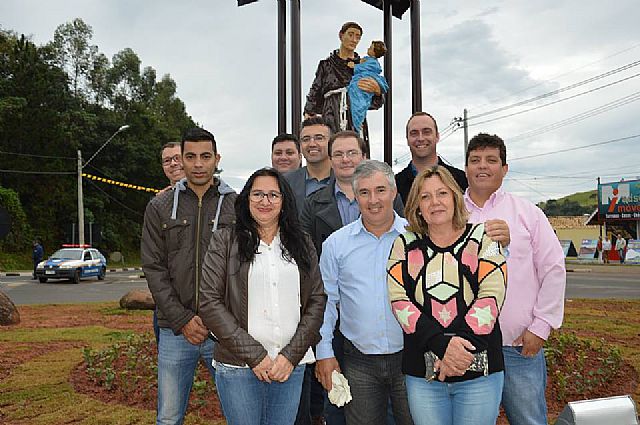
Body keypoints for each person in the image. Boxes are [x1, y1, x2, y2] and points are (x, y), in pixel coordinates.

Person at [198, 167, 327, 425]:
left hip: (289, 366)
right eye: (257, 194)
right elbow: (209, 302)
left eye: (273, 195)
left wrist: (291, 356)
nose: (265, 201)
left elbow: (316, 300)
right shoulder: (225, 240)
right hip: (238, 367)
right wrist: (255, 356)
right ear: (246, 199)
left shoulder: (301, 242)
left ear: (284, 200)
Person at [387, 166, 507, 425]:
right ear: (417, 205)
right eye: (425, 196)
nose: (435, 202)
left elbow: (492, 296)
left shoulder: (484, 238)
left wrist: (456, 351)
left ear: (454, 196)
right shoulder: (404, 244)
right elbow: (400, 302)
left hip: (480, 374)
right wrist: (442, 347)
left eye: (442, 193)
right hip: (424, 376)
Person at [300, 131, 403, 425]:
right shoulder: (336, 244)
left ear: (394, 192)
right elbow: (326, 300)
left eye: (381, 191)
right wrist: (324, 353)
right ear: (355, 196)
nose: (373, 200)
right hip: (358, 357)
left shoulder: (413, 238)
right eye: (365, 193)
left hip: (409, 356)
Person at [463, 133, 566, 425]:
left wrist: (541, 325)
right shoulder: (451, 212)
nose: (482, 166)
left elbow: (554, 268)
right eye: (475, 160)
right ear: (466, 167)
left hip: (518, 345)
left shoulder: (528, 213)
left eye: (491, 160)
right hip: (467, 346)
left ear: (504, 169)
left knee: (528, 420)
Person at [141, 127, 237, 425]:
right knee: (169, 417)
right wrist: (182, 319)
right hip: (174, 329)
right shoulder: (159, 206)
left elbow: (243, 268)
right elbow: (153, 267)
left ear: (216, 159)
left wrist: (217, 317)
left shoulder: (237, 205)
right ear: (181, 160)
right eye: (191, 157)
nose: (198, 164)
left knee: (239, 414)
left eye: (205, 156)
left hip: (223, 330)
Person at [304, 21, 383, 150]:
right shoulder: (327, 65)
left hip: (355, 113)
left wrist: (378, 91)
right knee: (331, 148)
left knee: (356, 148)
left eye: (358, 37)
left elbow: (375, 98)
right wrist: (309, 112)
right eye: (350, 35)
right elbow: (316, 89)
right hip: (331, 113)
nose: (354, 40)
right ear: (341, 36)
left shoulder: (364, 67)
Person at [395, 112, 468, 204]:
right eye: (414, 133)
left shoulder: (461, 181)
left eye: (426, 132)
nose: (420, 138)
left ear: (437, 136)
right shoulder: (395, 185)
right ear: (407, 140)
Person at [285, 116, 333, 214]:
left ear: (331, 143)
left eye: (319, 138)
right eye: (306, 139)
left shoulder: (346, 181)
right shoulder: (286, 183)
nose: (312, 144)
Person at [347, 40, 389, 133]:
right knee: (357, 100)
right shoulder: (367, 60)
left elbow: (365, 68)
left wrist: (355, 66)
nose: (368, 48)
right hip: (357, 82)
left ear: (374, 52)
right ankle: (356, 122)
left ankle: (357, 123)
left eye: (370, 48)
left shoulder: (373, 63)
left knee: (359, 103)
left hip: (361, 82)